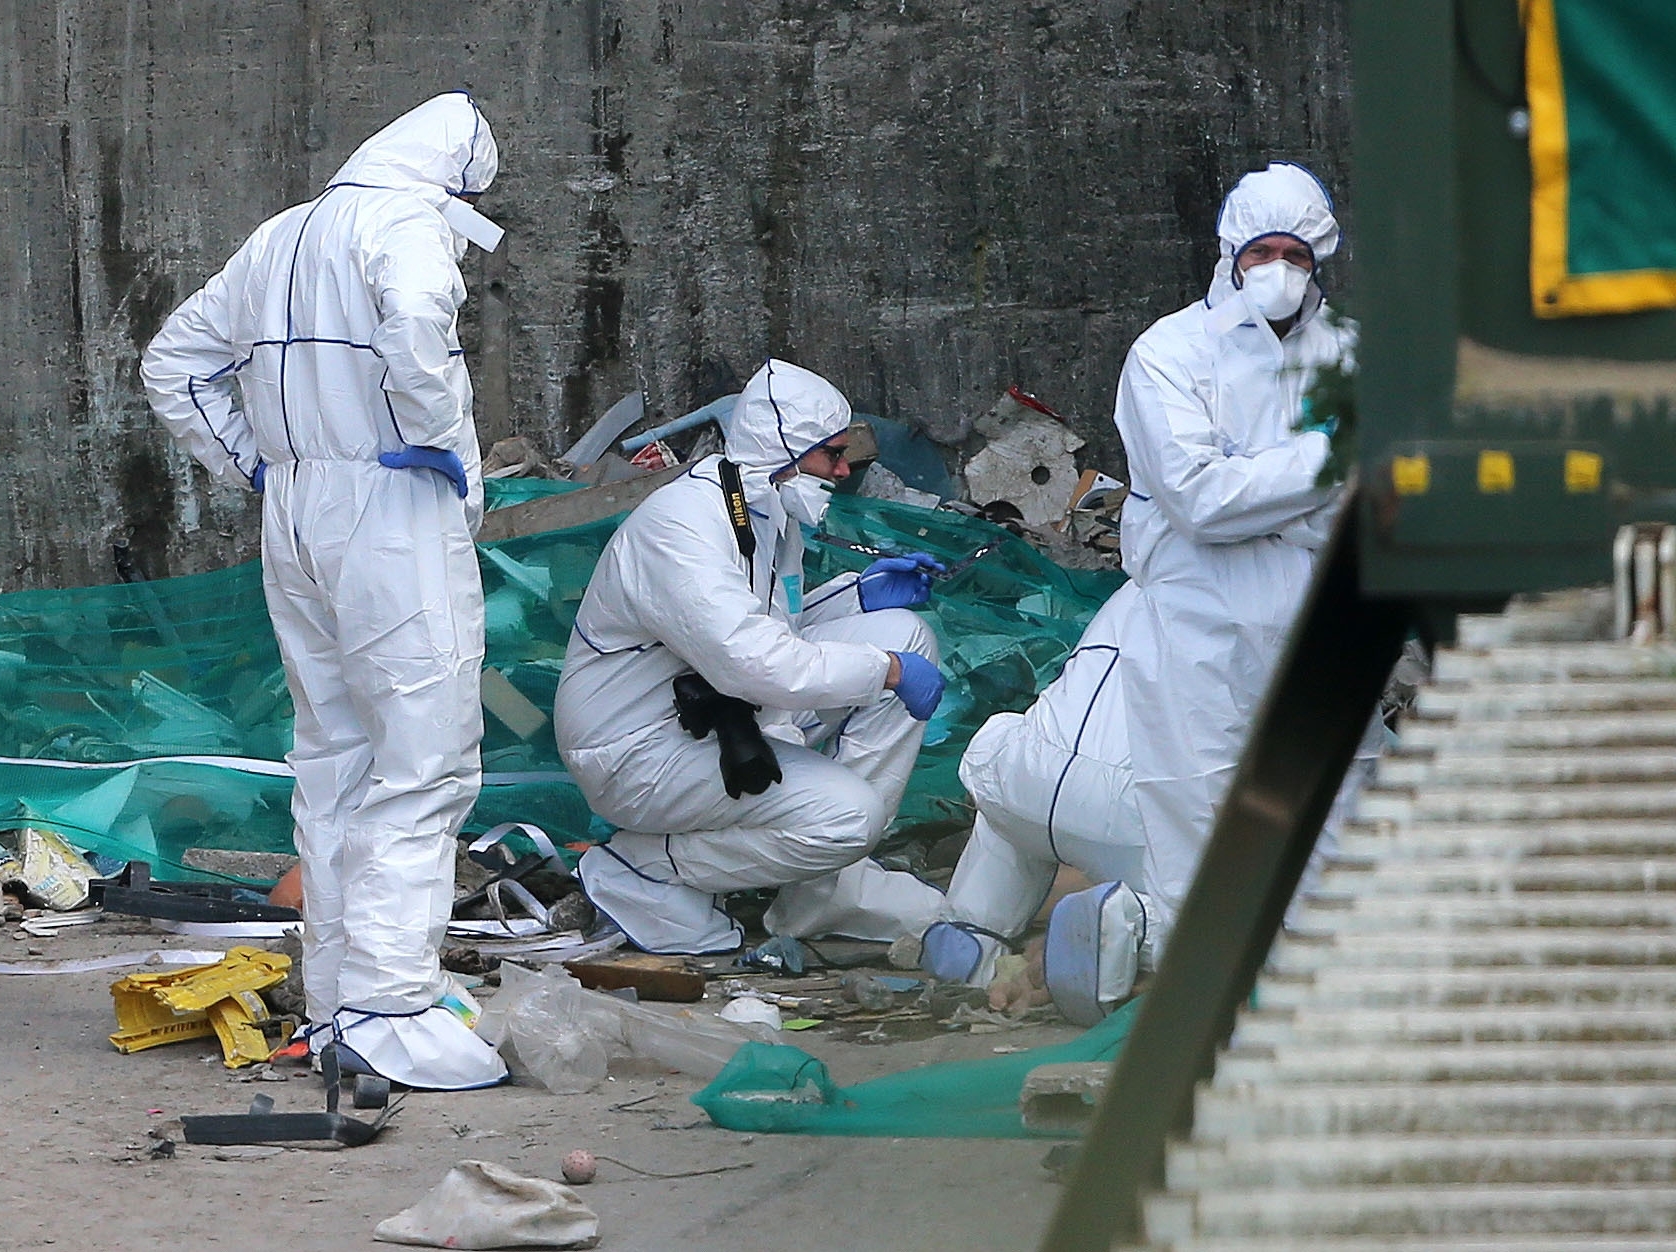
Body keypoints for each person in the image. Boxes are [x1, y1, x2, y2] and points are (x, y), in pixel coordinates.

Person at [920, 161, 1382, 1022]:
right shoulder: (1170, 352)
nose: (1278, 270)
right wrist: (1326, 461)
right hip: (1198, 620)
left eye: (1296, 254)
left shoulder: (1350, 352)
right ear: (1229, 253)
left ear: (1320, 258)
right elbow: (1200, 499)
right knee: (1195, 824)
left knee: (1338, 804)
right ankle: (1192, 1012)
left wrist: (1278, 493)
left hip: (1316, 619)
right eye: (1262, 251)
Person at [141, 92, 508, 1090]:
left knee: (334, 757)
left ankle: (340, 998)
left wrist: (258, 467)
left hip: (295, 512)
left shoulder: (277, 238)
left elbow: (174, 365)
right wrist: (434, 432)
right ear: (449, 181)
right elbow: (423, 314)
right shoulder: (399, 220)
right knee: (421, 761)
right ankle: (391, 1006)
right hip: (392, 503)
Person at [556, 359, 950, 955]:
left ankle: (822, 888)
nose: (843, 472)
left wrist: (857, 593)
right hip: (634, 749)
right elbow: (756, 663)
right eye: (832, 456)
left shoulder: (761, 508)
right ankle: (640, 867)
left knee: (905, 632)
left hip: (708, 708)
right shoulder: (682, 526)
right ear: (784, 451)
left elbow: (770, 625)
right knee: (851, 814)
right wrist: (886, 671)